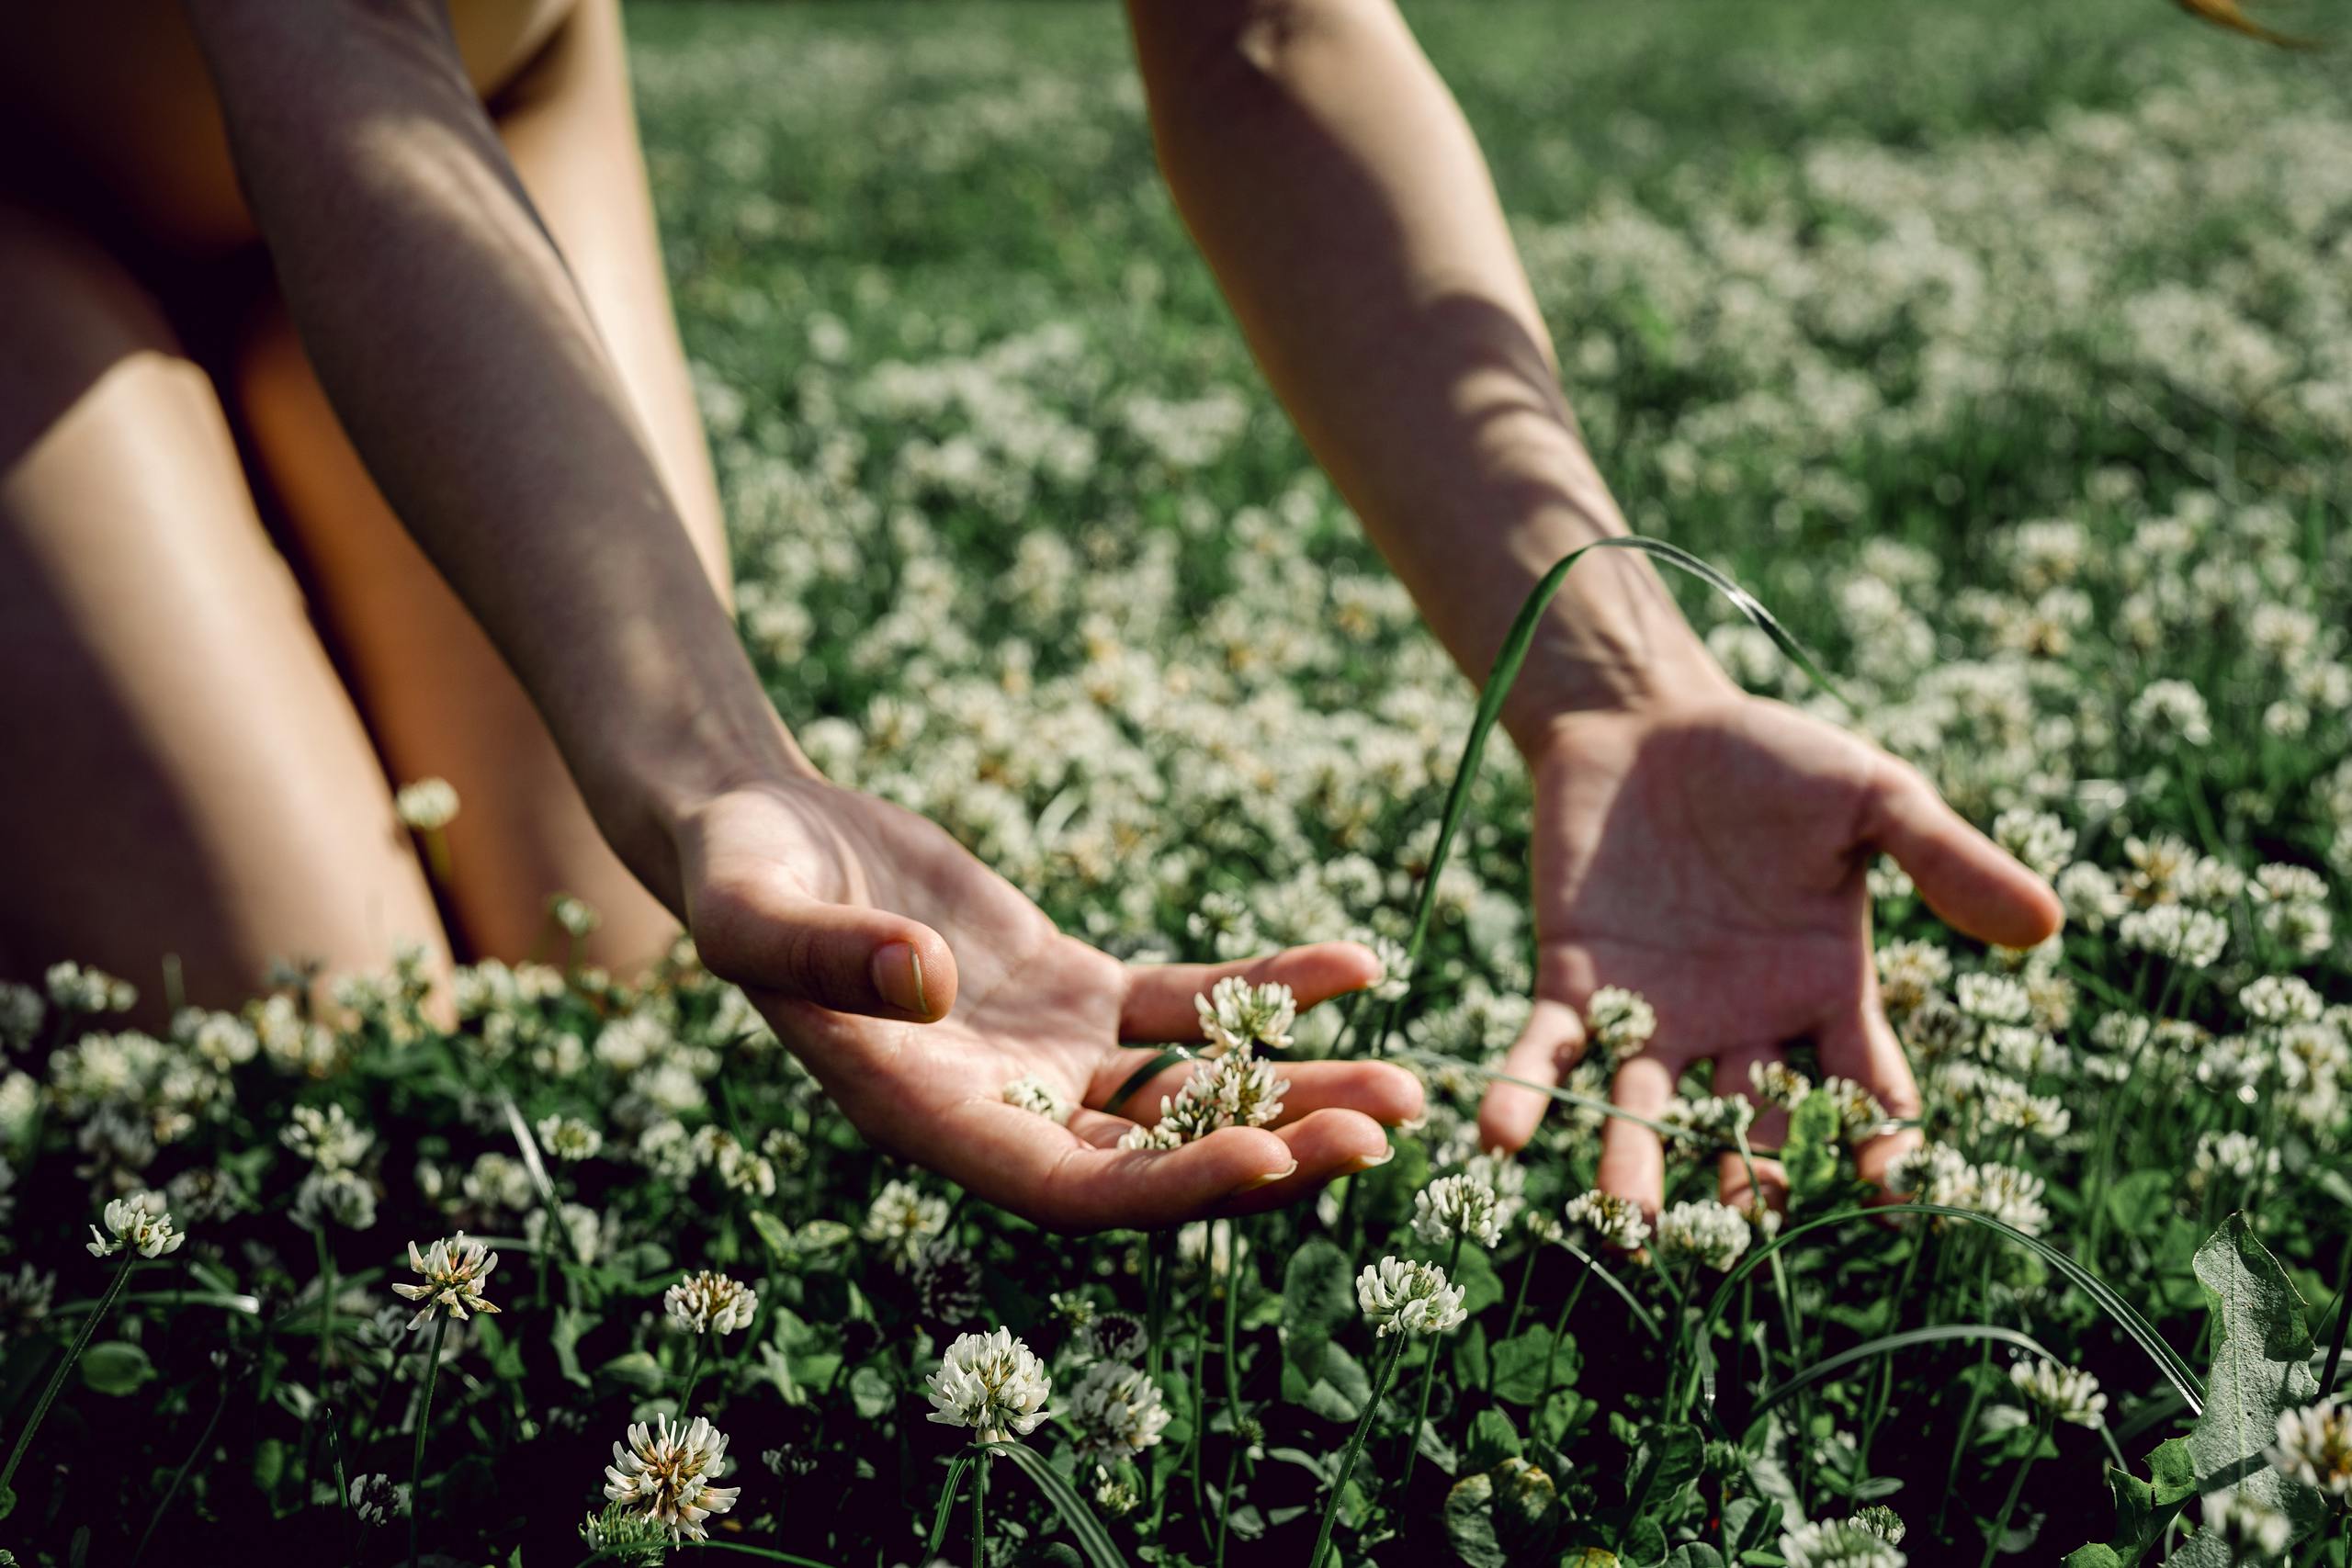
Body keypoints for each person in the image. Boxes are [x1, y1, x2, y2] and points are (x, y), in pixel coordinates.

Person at [0, 0, 2062, 1233]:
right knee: (298, 1040)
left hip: (487, 71)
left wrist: (1609, 679)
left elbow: (1269, 29)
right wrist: (715, 758)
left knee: (591, 975)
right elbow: (318, 38)